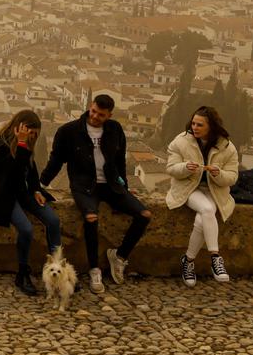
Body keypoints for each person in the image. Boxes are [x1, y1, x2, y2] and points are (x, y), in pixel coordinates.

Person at [40, 94, 151, 293]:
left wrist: (123, 186)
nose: (95, 117)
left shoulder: (115, 129)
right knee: (91, 218)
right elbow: (56, 160)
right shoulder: (69, 131)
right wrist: (42, 184)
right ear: (90, 107)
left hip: (111, 185)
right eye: (93, 111)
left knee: (144, 215)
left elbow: (120, 161)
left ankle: (119, 257)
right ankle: (94, 270)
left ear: (109, 115)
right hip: (84, 186)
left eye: (100, 114)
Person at [0, 109, 60, 296]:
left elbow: (31, 170)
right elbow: (13, 175)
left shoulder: (27, 144)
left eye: (35, 134)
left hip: (24, 191)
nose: (32, 137)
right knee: (26, 229)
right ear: (19, 127)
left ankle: (58, 270)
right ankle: (22, 272)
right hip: (5, 193)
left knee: (53, 220)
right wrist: (20, 144)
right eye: (30, 133)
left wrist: (36, 189)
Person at [166, 105, 240, 286]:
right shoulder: (180, 141)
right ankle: (215, 257)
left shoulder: (227, 147)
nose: (194, 128)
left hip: (214, 192)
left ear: (211, 127)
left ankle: (188, 261)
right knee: (207, 209)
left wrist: (218, 174)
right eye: (193, 123)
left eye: (200, 125)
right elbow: (170, 168)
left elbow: (232, 177)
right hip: (188, 189)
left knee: (202, 218)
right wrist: (185, 168)